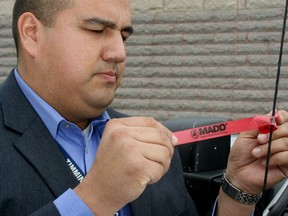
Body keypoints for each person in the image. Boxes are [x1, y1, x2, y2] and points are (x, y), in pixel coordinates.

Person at [0, 0, 288, 215]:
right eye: (96, 29)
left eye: (124, 36)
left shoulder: (152, 143)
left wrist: (239, 190)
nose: (119, 53)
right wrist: (94, 199)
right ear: (32, 33)